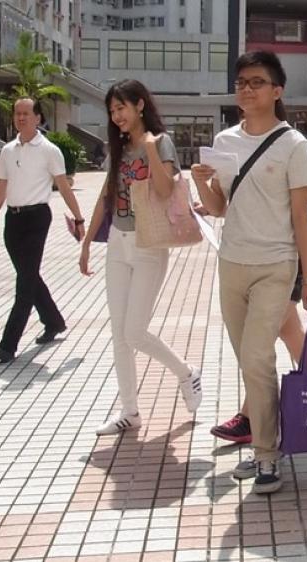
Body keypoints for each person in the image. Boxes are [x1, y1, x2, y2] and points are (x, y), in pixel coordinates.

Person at [191, 50, 307, 494]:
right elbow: (218, 208)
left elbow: (302, 217)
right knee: (248, 360)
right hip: (231, 264)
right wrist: (199, 181)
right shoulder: (226, 140)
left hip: (275, 264)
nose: (246, 89)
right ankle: (269, 439)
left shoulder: (293, 144)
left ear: (276, 91)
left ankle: (266, 454)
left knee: (256, 356)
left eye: (256, 82)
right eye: (241, 82)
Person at [79, 79, 203, 435]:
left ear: (139, 106)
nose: (117, 116)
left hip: (150, 244)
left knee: (134, 331)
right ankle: (130, 411)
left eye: (122, 108)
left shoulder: (161, 142)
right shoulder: (116, 148)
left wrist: (149, 148)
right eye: (112, 110)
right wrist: (88, 242)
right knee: (119, 333)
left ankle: (186, 373)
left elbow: (164, 191)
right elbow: (106, 196)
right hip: (118, 242)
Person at [209, 166, 307, 444]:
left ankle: (251, 418)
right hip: (255, 257)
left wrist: (285, 187)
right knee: (290, 332)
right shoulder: (243, 145)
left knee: (259, 345)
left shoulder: (290, 144)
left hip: (287, 257)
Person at [0, 98, 85, 363]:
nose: (21, 118)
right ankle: (53, 321)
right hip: (13, 221)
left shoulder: (49, 150)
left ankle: (7, 345)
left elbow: (64, 186)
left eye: (26, 114)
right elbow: (0, 191)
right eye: (17, 114)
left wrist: (79, 219)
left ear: (37, 118)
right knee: (29, 276)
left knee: (24, 284)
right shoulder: (9, 150)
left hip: (37, 219)